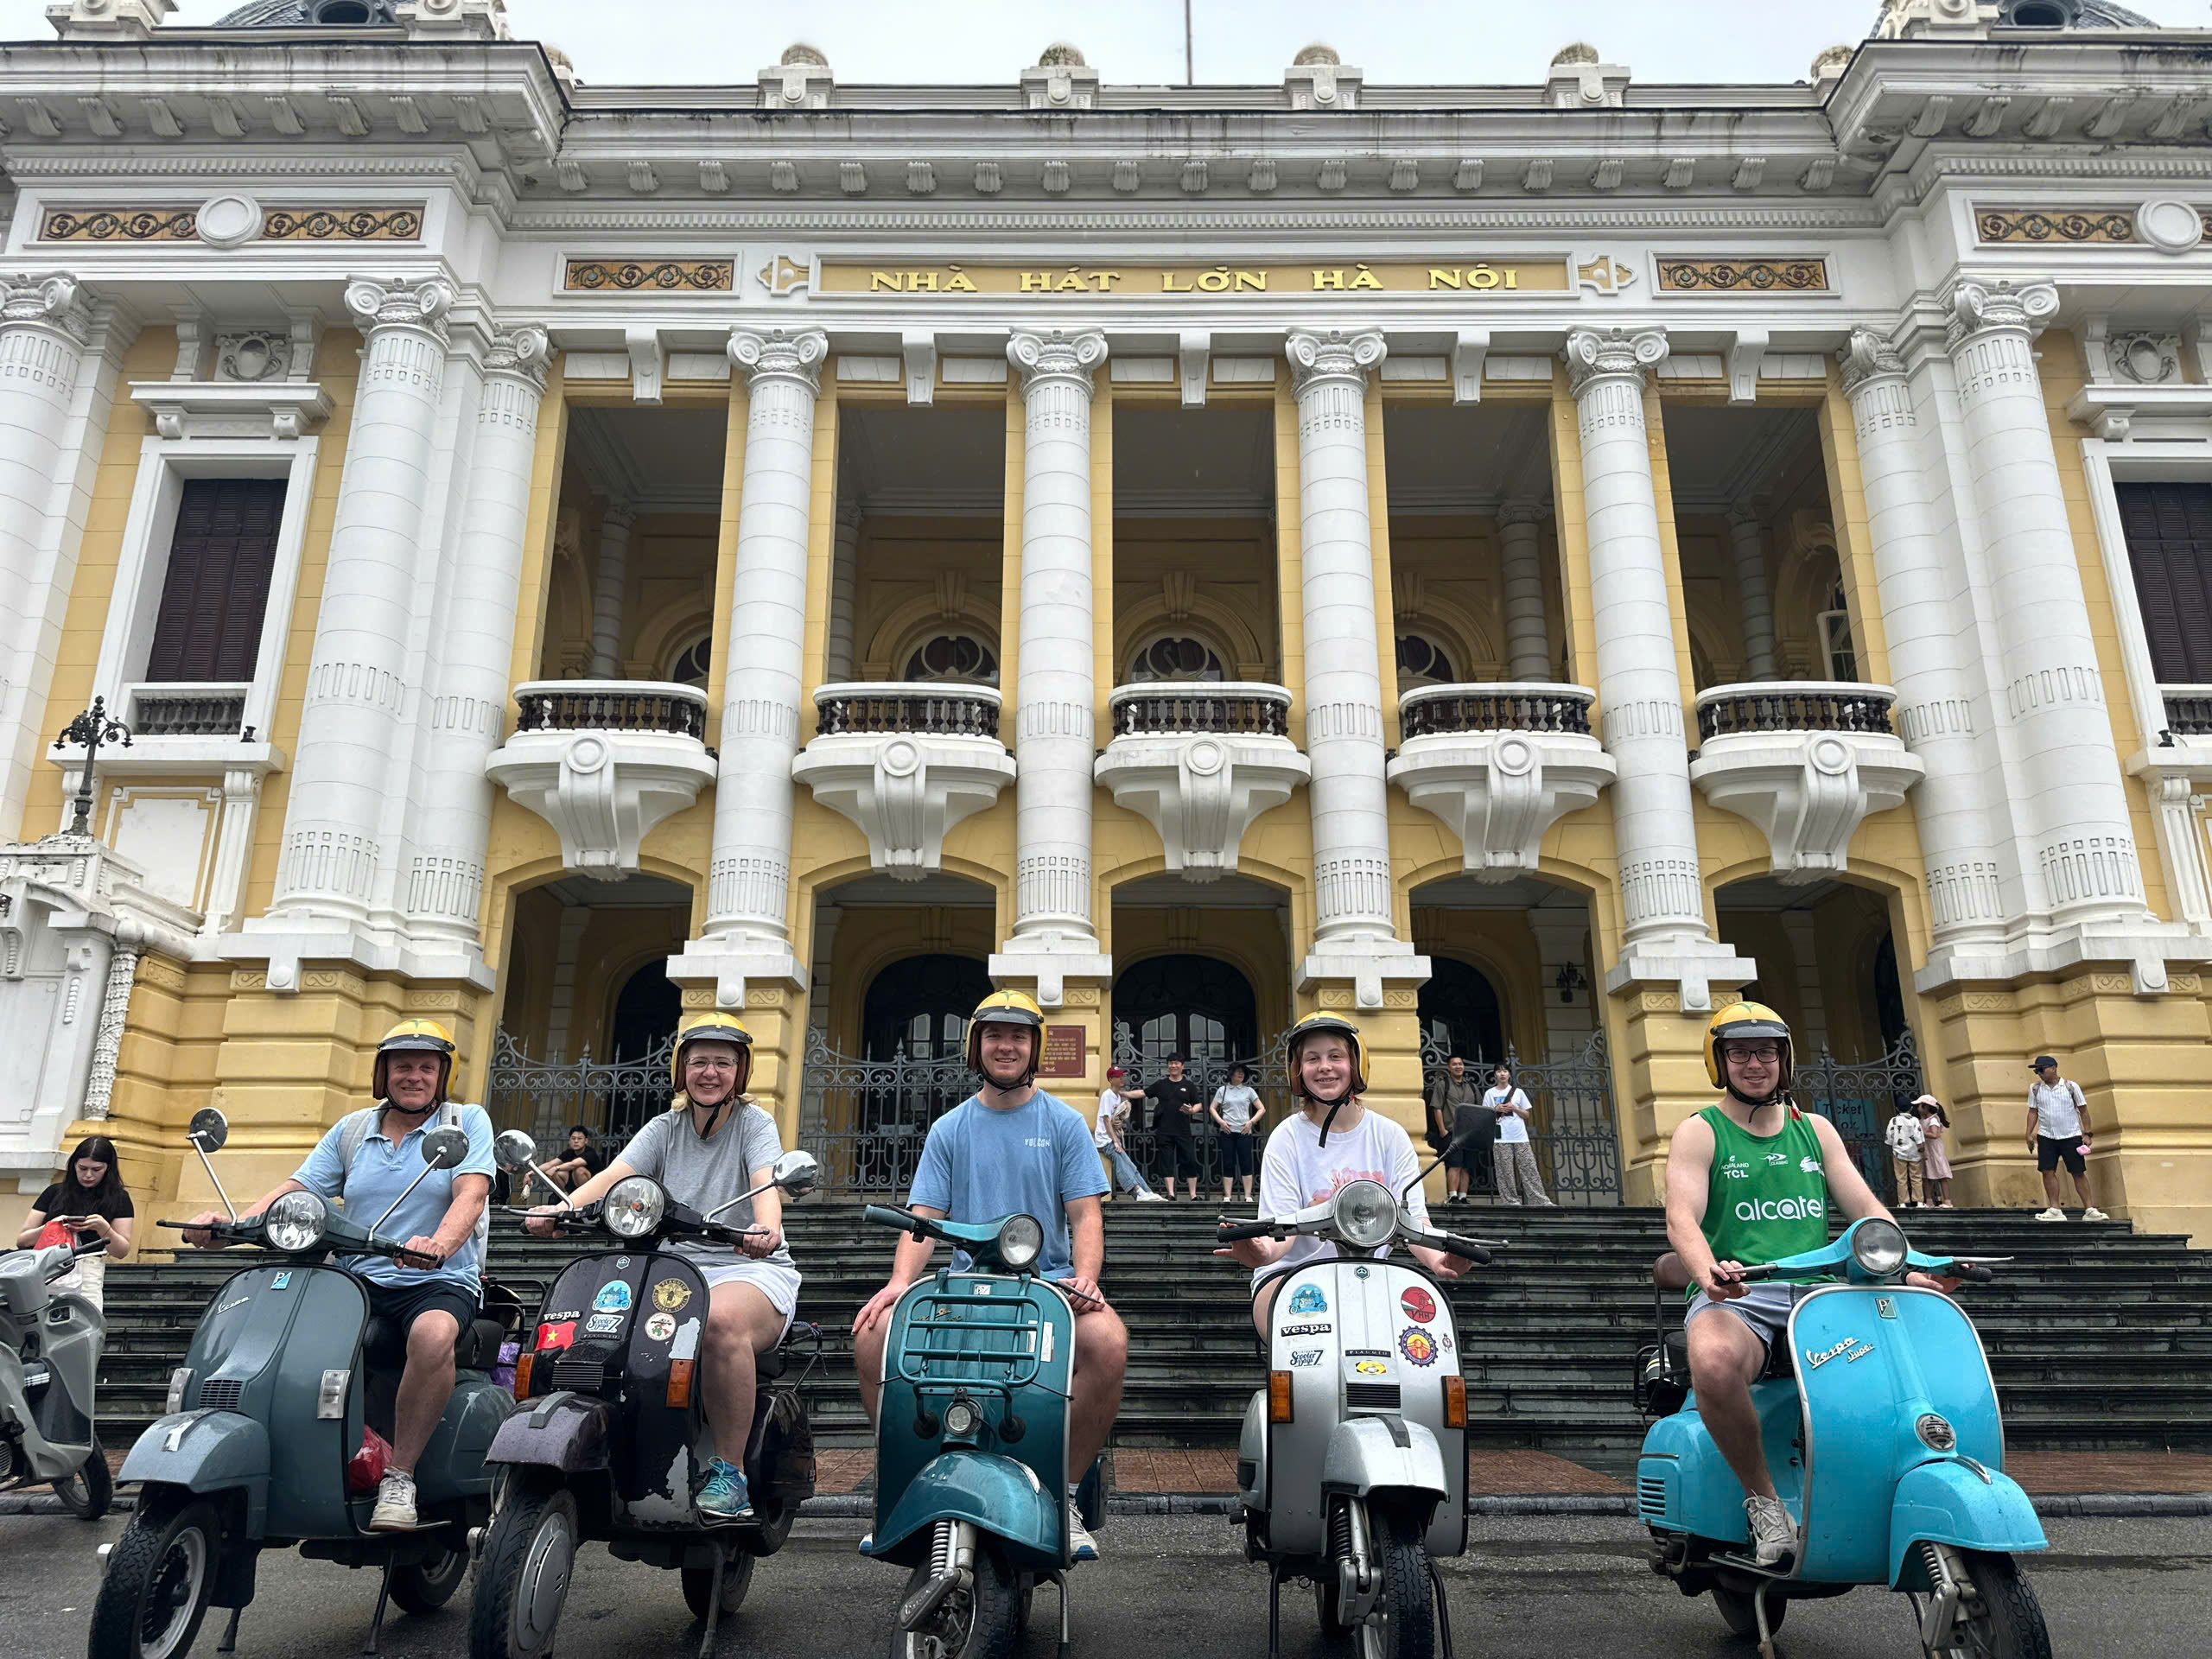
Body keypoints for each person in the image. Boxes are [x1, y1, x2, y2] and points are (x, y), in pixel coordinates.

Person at [1664, 1001, 1961, 1570]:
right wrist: (1707, 1271)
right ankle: (1764, 1503)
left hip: (1820, 1294)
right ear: (1719, 1061)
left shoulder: (1815, 1130)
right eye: (1740, 1052)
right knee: (1713, 1358)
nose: (1755, 1063)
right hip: (1742, 1293)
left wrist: (1915, 1264)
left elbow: (1868, 1213)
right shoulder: (1700, 1132)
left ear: (1785, 1058)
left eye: (1767, 1051)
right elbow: (1682, 1215)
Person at [182, 1019, 495, 1532]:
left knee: (433, 1333)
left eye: (425, 1067)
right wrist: (233, 1225)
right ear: (383, 1074)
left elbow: (471, 1193)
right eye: (402, 1067)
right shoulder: (353, 1130)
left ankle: (400, 1477)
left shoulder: (464, 1123)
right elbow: (298, 1188)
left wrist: (439, 1244)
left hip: (436, 1277)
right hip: (357, 1278)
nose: (413, 1076)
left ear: (443, 1075)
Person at [850, 989, 1126, 1562]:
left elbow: (1084, 1213)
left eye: (1018, 1036)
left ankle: (1067, 1494)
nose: (1006, 1046)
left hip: (1044, 1284)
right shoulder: (951, 1128)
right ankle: (901, 1476)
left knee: (1108, 1342)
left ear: (1035, 1048)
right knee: (872, 1334)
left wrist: (1087, 1277)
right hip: (963, 1285)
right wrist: (900, 1282)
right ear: (977, 1047)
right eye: (994, 1036)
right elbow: (924, 1218)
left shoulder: (1064, 1122)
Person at [529, 1013, 800, 1521]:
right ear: (681, 1069)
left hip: (747, 1266)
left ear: (740, 1073)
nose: (711, 1072)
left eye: (724, 1062)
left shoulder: (754, 1124)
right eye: (699, 1061)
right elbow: (616, 1175)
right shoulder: (664, 1127)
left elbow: (767, 1180)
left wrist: (767, 1228)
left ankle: (731, 1472)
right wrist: (561, 1210)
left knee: (718, 1324)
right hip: (674, 1270)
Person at [1218, 1013, 1478, 1335]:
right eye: (1312, 1059)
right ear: (1299, 1071)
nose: (1324, 1066)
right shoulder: (1287, 1138)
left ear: (1357, 1064)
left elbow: (1414, 1221)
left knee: (1425, 1350)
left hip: (1371, 1276)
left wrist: (1439, 1260)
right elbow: (1282, 1225)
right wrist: (1262, 1252)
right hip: (1293, 1276)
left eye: (1335, 1056)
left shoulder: (1390, 1136)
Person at [17, 1135, 135, 1312]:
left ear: (107, 1169)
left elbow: (122, 1251)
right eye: (82, 1168)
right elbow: (23, 1240)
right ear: (73, 1165)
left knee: (84, 1325)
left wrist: (104, 1228)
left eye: (96, 1170)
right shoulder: (54, 1192)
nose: (88, 1175)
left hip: (87, 1270)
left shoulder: (119, 1198)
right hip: (46, 1268)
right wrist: (51, 1226)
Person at [2026, 1056, 2106, 1222]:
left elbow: (2083, 1110)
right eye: (2036, 1071)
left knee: (2078, 1171)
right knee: (2047, 1171)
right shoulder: (2035, 1089)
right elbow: (2033, 1112)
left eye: (2041, 1069)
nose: (2039, 1074)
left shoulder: (2070, 1086)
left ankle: (2089, 1209)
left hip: (2071, 1135)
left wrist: (2087, 1133)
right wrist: (2029, 1133)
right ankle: (2055, 1208)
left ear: (2053, 1068)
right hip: (2047, 1135)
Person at [1130, 1055, 1205, 1200]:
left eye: (1176, 1063)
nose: (1173, 1066)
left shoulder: (1189, 1086)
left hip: (1183, 1130)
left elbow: (1198, 1104)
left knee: (1189, 1160)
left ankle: (1193, 1195)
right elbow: (1143, 1093)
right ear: (1168, 1066)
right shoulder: (1161, 1084)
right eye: (1171, 1063)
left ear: (1182, 1066)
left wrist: (1192, 1111)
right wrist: (1122, 1093)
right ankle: (1171, 1194)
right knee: (1166, 1161)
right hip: (1164, 1130)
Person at [1484, 1064, 1554, 1208]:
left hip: (1519, 1136)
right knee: (1505, 1171)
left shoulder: (1518, 1092)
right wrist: (1496, 1109)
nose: (1502, 1074)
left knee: (1529, 1168)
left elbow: (1527, 1114)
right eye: (1499, 1071)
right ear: (1495, 1075)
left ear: (1509, 1074)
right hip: (1501, 1137)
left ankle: (1540, 1200)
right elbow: (1485, 1114)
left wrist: (1514, 1108)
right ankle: (1510, 1201)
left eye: (1505, 1071)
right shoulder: (1490, 1093)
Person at [1427, 1054, 1492, 1204]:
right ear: (1449, 1067)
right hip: (1452, 1132)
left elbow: (1480, 1109)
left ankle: (1463, 1197)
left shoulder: (1472, 1087)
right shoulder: (1444, 1085)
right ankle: (1453, 1196)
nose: (1458, 1066)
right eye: (1454, 1064)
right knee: (1455, 1165)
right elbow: (1437, 1108)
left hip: (1470, 1134)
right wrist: (1442, 1130)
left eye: (1460, 1064)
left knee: (1466, 1167)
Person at [1094, 1067, 1165, 1202]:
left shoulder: (1117, 1096)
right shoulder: (1107, 1095)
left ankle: (1147, 1192)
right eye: (1118, 1076)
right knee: (1121, 1162)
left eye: (1122, 1076)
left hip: (1111, 1138)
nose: (1122, 1078)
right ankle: (1137, 1192)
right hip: (1105, 1140)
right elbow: (1106, 1120)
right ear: (1110, 1079)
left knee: (1130, 1165)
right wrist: (1115, 1141)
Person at [1209, 1063, 1267, 1204]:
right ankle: (1227, 1195)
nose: (1240, 1074)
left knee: (1246, 1162)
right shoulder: (1223, 1090)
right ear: (1231, 1074)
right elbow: (1212, 1108)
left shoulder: (1248, 1091)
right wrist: (1221, 1122)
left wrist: (1251, 1122)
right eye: (1237, 1072)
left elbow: (1261, 1109)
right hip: (1227, 1131)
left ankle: (1248, 1195)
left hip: (1244, 1131)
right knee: (1228, 1162)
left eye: (1242, 1072)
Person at [1885, 1101, 1927, 1208]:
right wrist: (1922, 1150)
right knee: (1916, 1177)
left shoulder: (1893, 1121)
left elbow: (1889, 1137)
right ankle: (1919, 1202)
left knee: (1901, 1178)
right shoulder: (1914, 1120)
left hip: (1899, 1153)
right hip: (1914, 1153)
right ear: (1911, 1109)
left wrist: (1893, 1145)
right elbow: (1918, 1136)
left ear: (1897, 1109)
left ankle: (1903, 1202)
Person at [543, 1124, 606, 1193]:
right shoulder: (569, 1152)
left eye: (579, 1139)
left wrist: (555, 1168)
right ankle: (566, 1196)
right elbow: (550, 1164)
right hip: (574, 1185)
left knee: (579, 1170)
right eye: (573, 1138)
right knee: (557, 1173)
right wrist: (531, 1172)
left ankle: (585, 1198)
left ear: (586, 1141)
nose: (576, 1141)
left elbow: (573, 1164)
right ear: (569, 1141)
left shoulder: (590, 1153)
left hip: (595, 1188)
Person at [1916, 1095, 1955, 1209]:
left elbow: (1935, 1134)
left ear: (1926, 1107)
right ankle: (1929, 1201)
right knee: (1926, 1176)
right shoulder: (1922, 1120)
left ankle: (1947, 1202)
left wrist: (1921, 1133)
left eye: (1919, 1105)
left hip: (1935, 1151)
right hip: (1927, 1151)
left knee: (1941, 1175)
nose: (1917, 1108)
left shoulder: (1933, 1119)